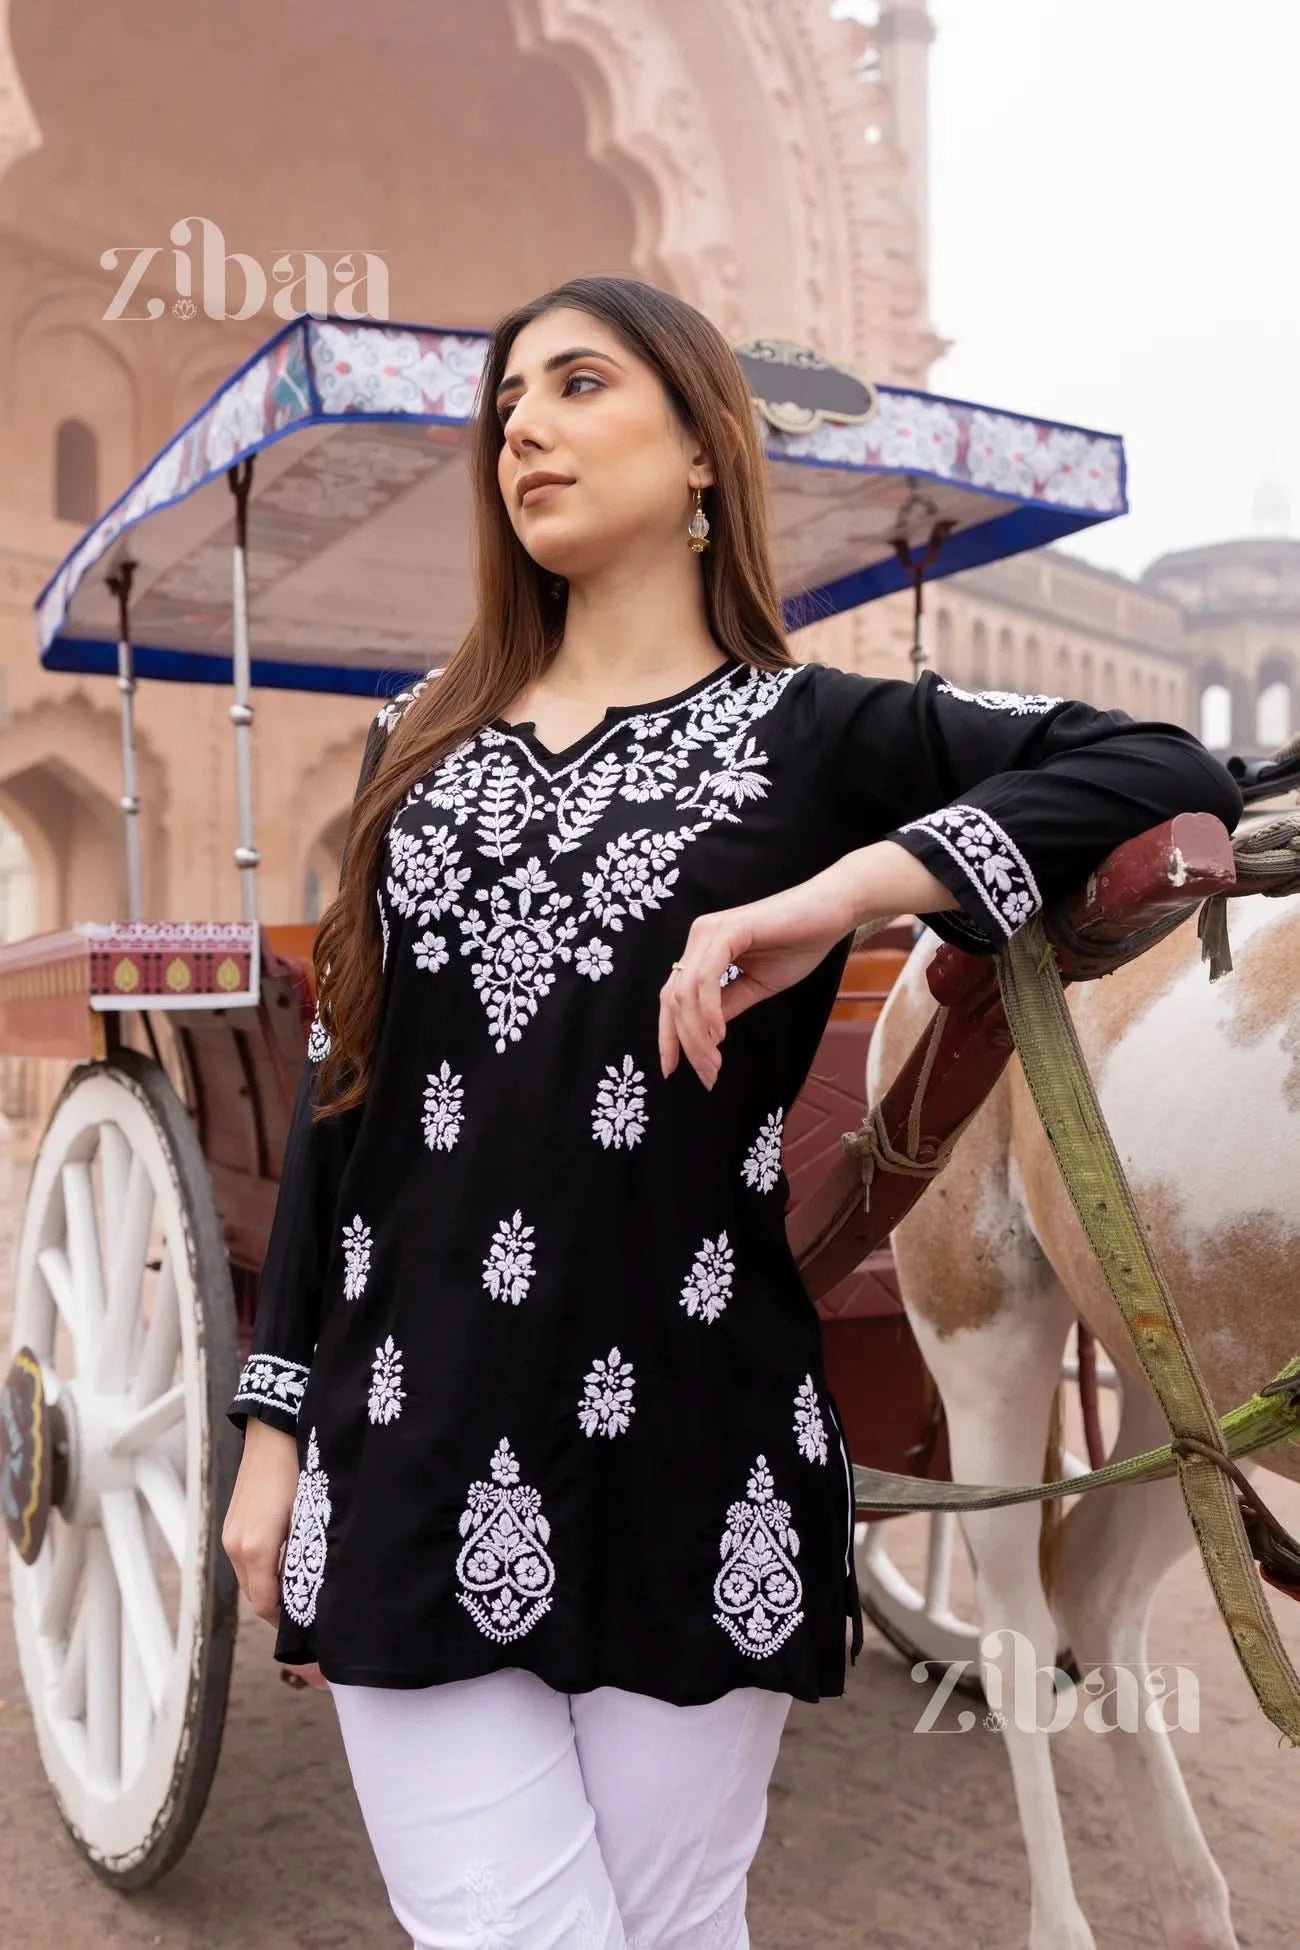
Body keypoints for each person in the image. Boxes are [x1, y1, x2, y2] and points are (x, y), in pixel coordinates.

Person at [221, 274, 1243, 1949]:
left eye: (575, 385)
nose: (522, 429)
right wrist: (273, 1437)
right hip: (412, 1439)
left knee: (682, 1927)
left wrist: (848, 884)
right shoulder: (418, 743)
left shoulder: (815, 734)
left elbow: (1163, 766)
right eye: (503, 407)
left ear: (703, 448)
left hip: (701, 1451)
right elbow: (353, 1113)